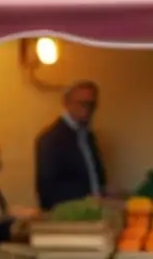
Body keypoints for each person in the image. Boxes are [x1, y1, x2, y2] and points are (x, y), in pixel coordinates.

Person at [35, 80, 106, 211]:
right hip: (69, 218)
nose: (87, 109)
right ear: (66, 103)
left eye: (92, 104)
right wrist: (88, 201)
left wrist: (104, 191)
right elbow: (47, 191)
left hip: (91, 212)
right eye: (82, 104)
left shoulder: (87, 136)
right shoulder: (51, 140)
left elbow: (94, 177)